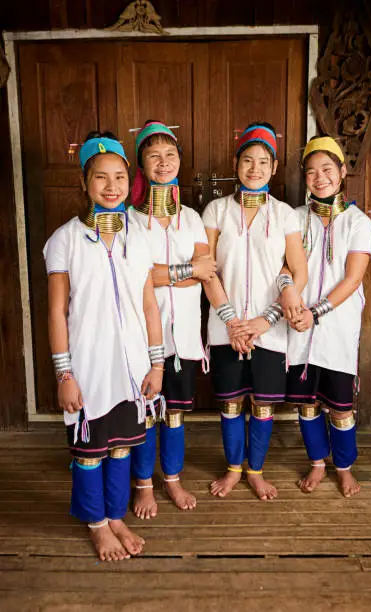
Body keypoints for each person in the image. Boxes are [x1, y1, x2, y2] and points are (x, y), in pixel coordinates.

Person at [44, 131, 164, 561]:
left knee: (121, 447)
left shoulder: (140, 236)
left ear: (129, 181)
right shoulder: (65, 241)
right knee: (90, 452)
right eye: (100, 178)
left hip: (132, 368)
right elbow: (57, 313)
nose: (111, 187)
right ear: (85, 182)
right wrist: (65, 375)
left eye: (118, 177)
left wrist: (157, 365)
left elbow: (150, 305)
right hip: (89, 368)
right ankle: (96, 525)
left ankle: (115, 515)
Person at [201, 122, 308, 500]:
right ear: (236, 163)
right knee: (230, 402)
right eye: (248, 160)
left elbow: (299, 271)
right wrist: (232, 321)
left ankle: (256, 471)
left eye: (263, 162)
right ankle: (233, 470)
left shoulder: (284, 215)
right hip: (224, 324)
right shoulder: (215, 210)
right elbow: (207, 268)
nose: (255, 169)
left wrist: (265, 321)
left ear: (274, 168)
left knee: (262, 405)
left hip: (270, 327)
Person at [129, 120, 216, 518]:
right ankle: (143, 486)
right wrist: (185, 271)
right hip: (144, 336)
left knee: (176, 412)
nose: (163, 163)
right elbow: (138, 276)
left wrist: (168, 272)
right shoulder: (129, 219)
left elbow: (208, 268)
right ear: (141, 166)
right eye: (154, 156)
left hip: (183, 340)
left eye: (170, 155)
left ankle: (173, 479)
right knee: (146, 412)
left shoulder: (193, 219)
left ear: (180, 160)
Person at [286, 135, 371, 498]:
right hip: (299, 328)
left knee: (340, 407)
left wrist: (315, 311)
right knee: (306, 405)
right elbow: (283, 267)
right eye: (311, 171)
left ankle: (344, 466)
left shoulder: (357, 222)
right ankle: (318, 462)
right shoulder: (294, 218)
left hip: (336, 326)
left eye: (326, 169)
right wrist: (289, 293)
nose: (319, 177)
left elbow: (353, 278)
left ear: (341, 172)